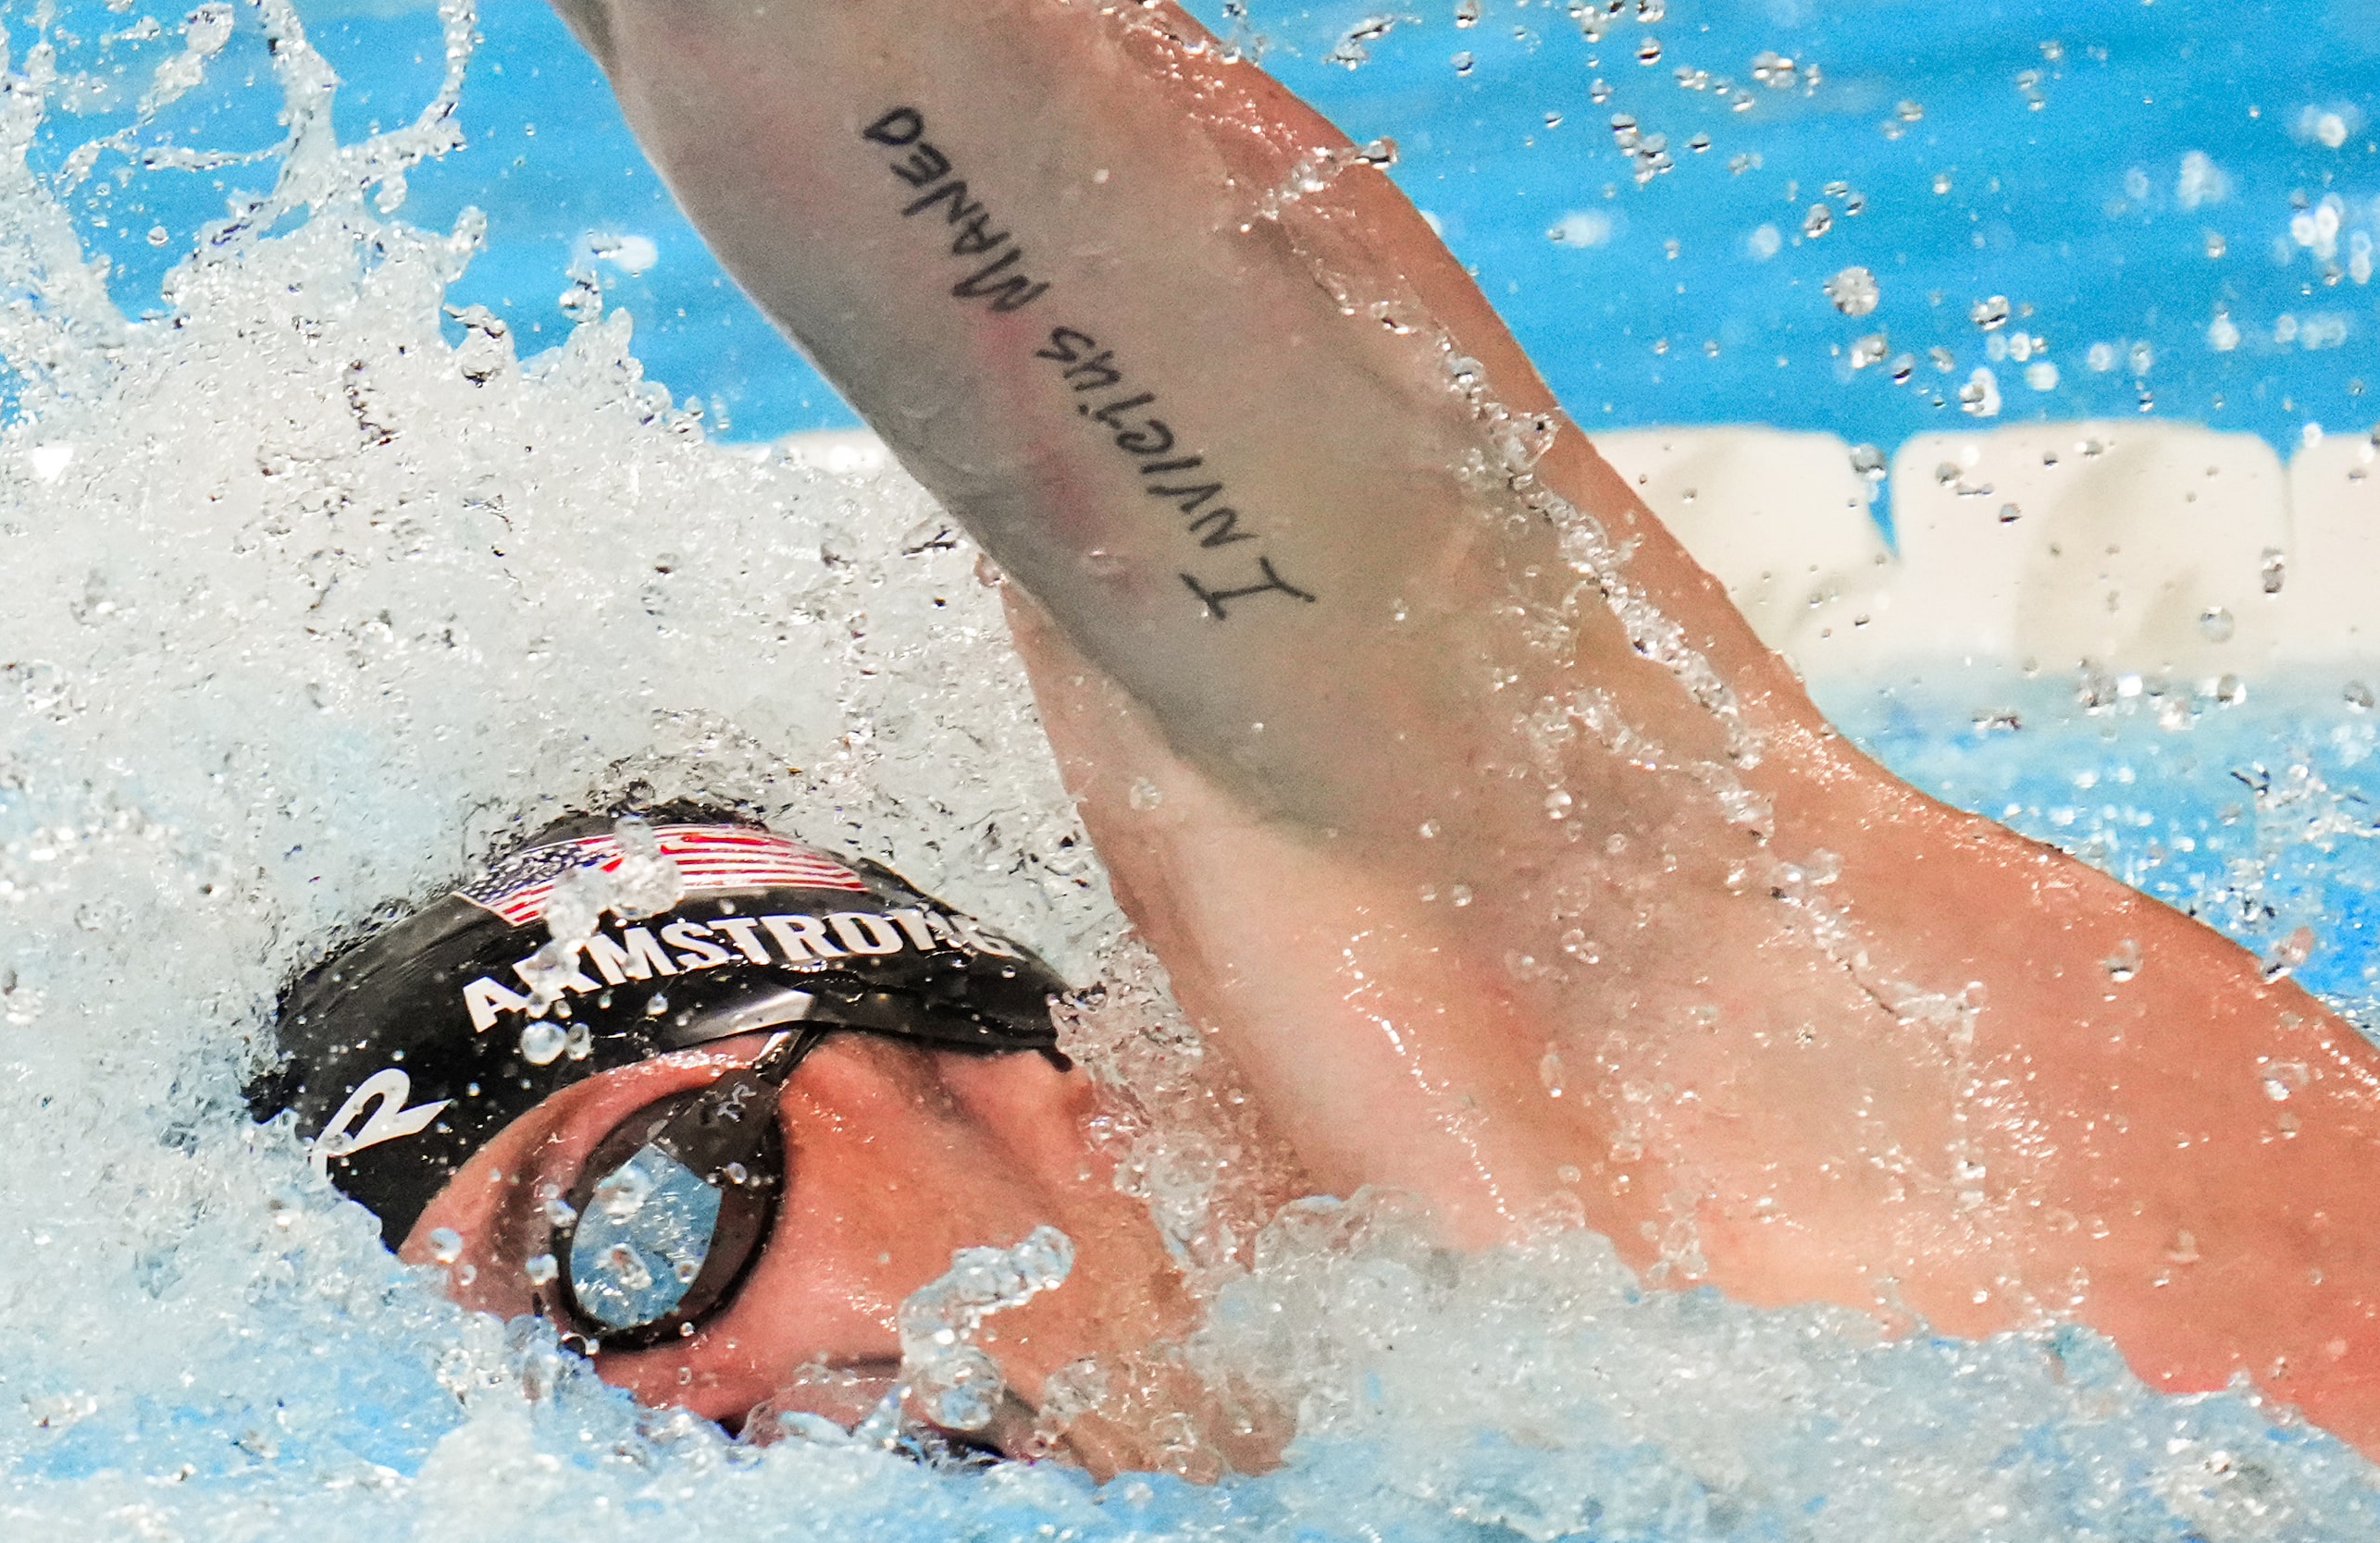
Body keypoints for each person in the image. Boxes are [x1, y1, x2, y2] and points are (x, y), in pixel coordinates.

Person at [270, 0, 2380, 1466]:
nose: (674, 1413)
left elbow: (920, 136)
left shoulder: (1596, 1004)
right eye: (545, 1389)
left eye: (634, 1241)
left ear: (994, 1073)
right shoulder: (1391, 1484)